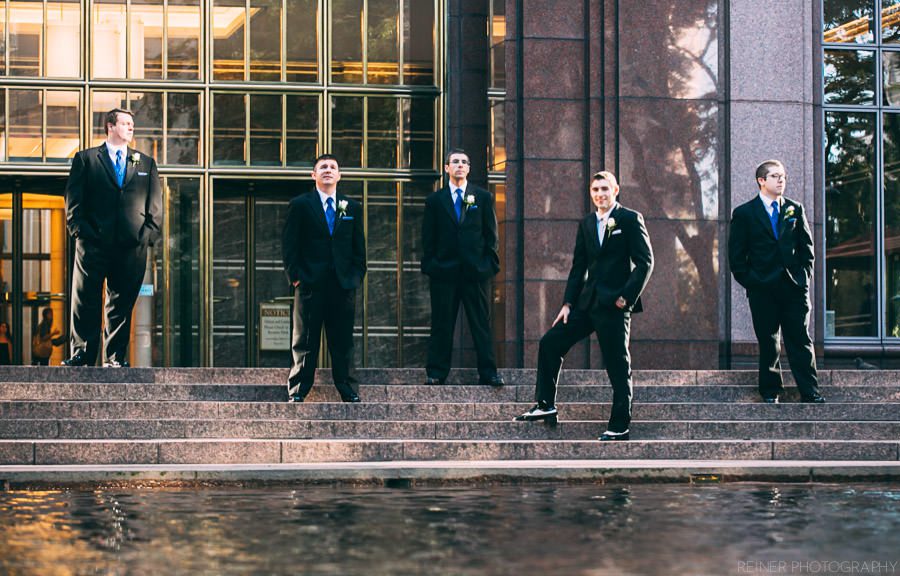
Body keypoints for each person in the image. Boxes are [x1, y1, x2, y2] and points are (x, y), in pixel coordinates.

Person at [514, 171, 653, 441]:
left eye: (604, 189)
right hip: (586, 304)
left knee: (617, 364)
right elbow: (578, 267)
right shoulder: (587, 223)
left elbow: (646, 262)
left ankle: (619, 425)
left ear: (616, 190)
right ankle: (545, 405)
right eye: (595, 190)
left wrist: (626, 297)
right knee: (550, 342)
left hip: (614, 305)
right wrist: (567, 303)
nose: (600, 194)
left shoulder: (629, 219)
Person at [63, 108, 162, 367]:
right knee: (86, 300)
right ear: (110, 126)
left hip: (131, 247)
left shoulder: (144, 163)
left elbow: (154, 207)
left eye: (132, 124)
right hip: (93, 244)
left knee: (121, 304)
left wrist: (146, 237)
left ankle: (115, 357)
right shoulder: (86, 159)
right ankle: (82, 354)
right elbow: (74, 203)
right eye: (125, 123)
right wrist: (81, 233)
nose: (131, 128)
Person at [728, 159, 825, 404]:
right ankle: (771, 392)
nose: (781, 180)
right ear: (761, 180)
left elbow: (807, 250)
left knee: (800, 339)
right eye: (775, 176)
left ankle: (810, 392)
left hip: (794, 287)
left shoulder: (795, 209)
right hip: (762, 288)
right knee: (769, 341)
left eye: (783, 176)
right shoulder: (744, 213)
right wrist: (753, 282)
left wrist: (803, 278)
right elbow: (737, 257)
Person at [282, 154, 367, 403]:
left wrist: (355, 276)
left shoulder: (352, 207)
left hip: (342, 285)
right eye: (323, 167)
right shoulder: (300, 204)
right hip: (309, 283)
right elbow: (289, 245)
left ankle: (348, 389)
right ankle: (298, 389)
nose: (328, 170)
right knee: (305, 340)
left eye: (332, 167)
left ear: (339, 175)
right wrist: (296, 277)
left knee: (343, 341)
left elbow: (358, 247)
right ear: (314, 175)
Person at [421, 149, 504, 387]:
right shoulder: (435, 200)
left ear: (469, 169)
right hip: (443, 273)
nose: (459, 165)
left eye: (464, 162)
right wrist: (432, 266)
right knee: (441, 324)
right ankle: (436, 372)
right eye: (455, 162)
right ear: (446, 168)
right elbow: (428, 238)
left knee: (481, 324)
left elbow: (491, 237)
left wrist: (488, 266)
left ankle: (489, 373)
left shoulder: (483, 197)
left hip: (475, 273)